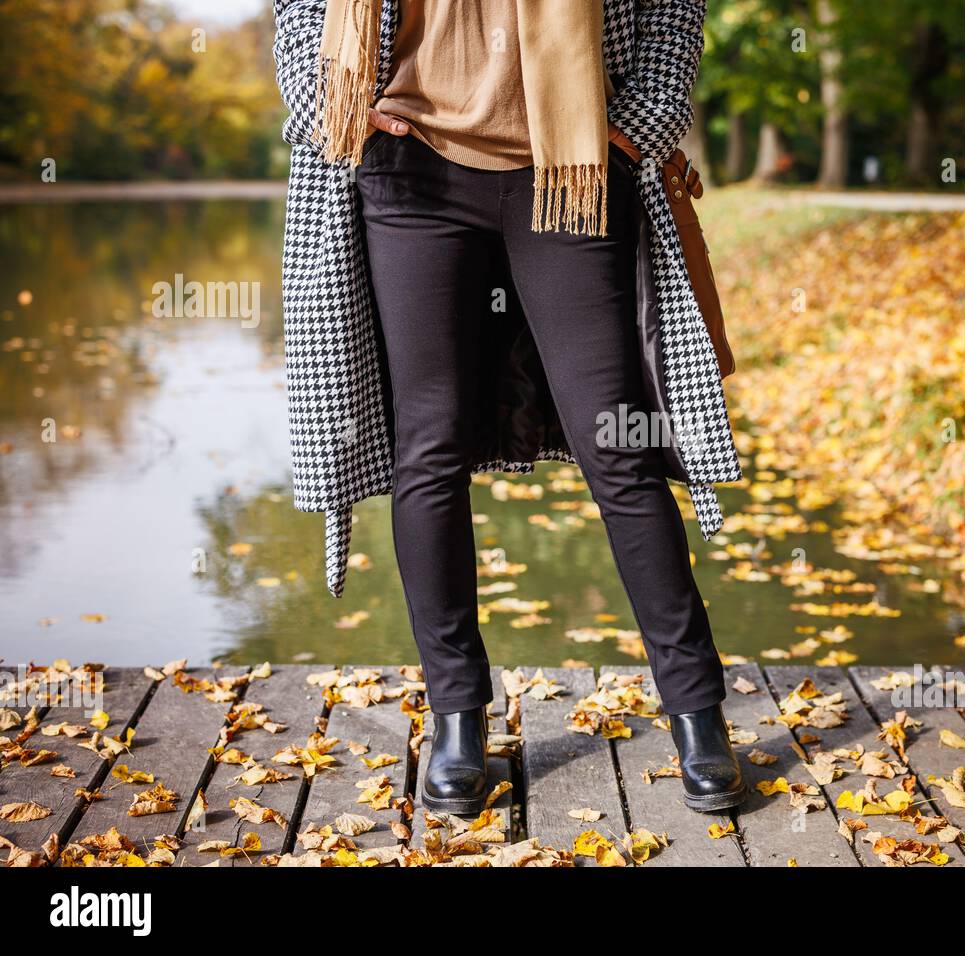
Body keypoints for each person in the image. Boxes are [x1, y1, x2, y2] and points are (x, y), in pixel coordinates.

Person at [272, 0, 745, 814]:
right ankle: (458, 717)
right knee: (430, 449)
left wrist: (633, 129)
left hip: (571, 166)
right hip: (411, 168)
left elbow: (671, 13)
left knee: (618, 446)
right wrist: (336, 105)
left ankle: (698, 712)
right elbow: (299, 11)